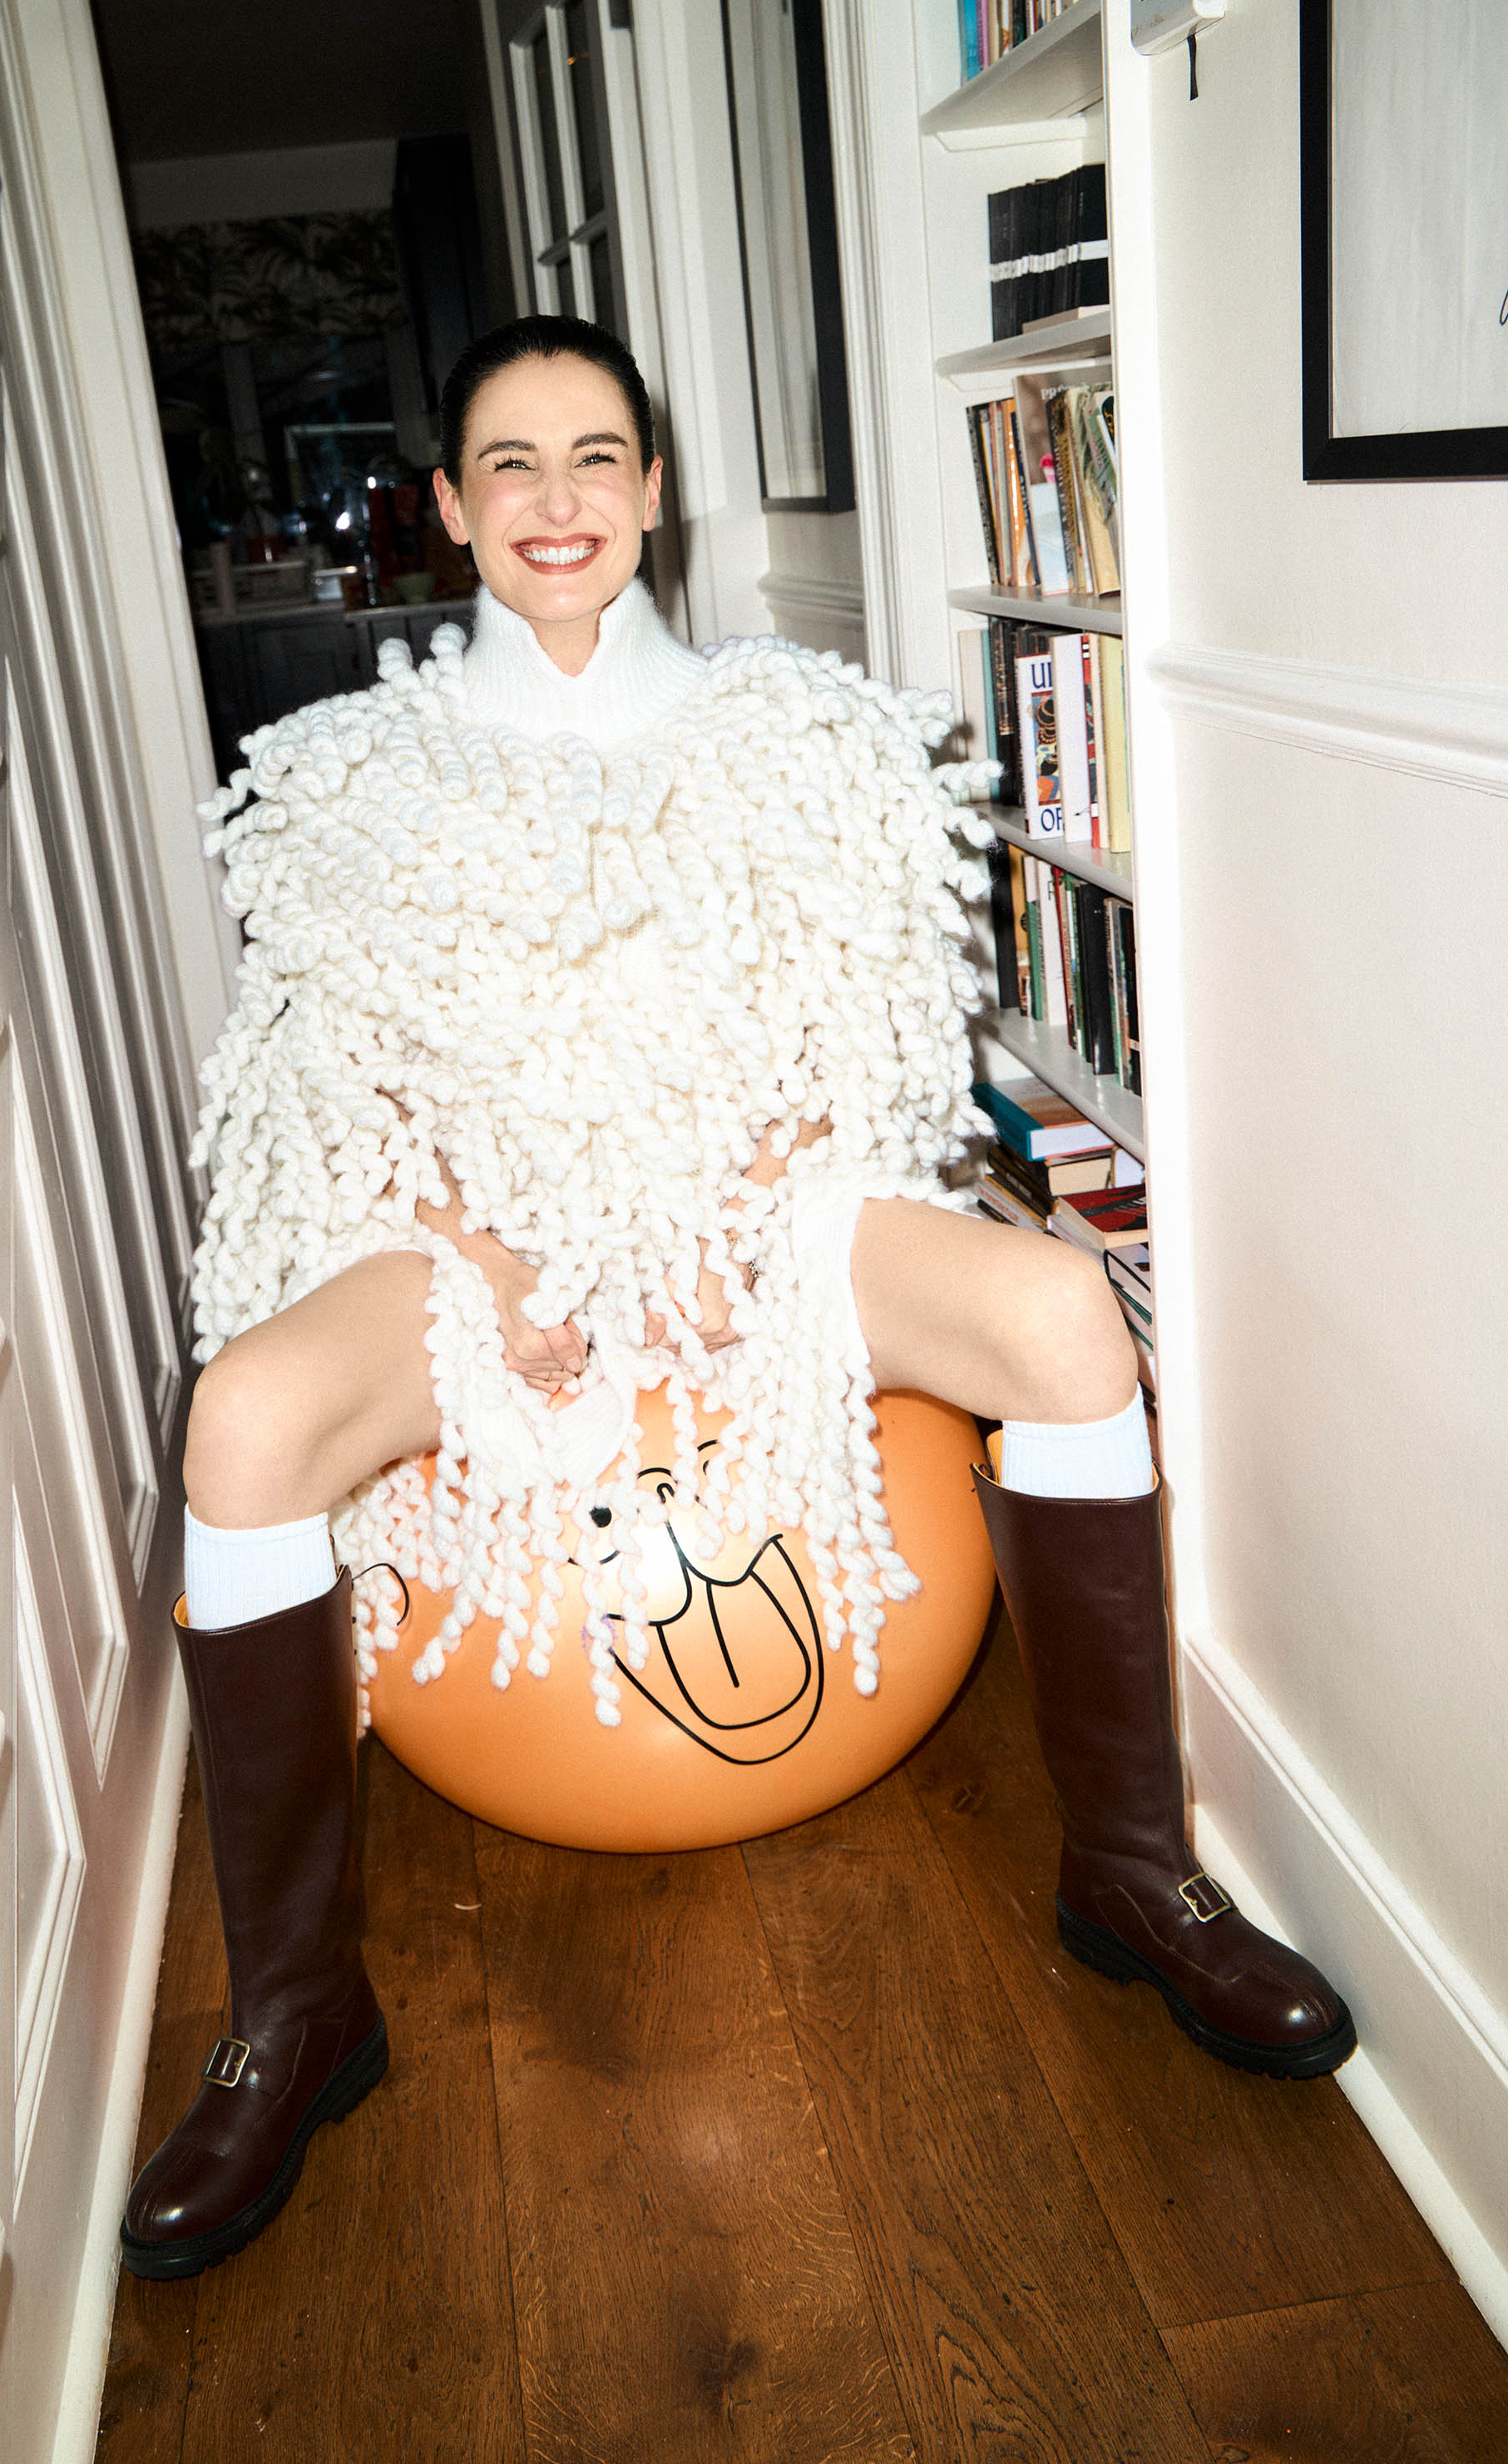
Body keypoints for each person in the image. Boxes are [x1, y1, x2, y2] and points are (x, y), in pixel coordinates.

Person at [119, 317, 1352, 2284]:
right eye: (508, 465)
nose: (556, 501)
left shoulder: (801, 733)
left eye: (594, 456)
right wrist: (494, 1259)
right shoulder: (355, 775)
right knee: (246, 1421)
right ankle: (295, 2012)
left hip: (764, 1223)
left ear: (653, 489)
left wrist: (739, 1220)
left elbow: (864, 1040)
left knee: (1056, 1322)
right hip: (466, 1250)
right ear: (449, 506)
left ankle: (1134, 1869)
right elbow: (334, 1081)